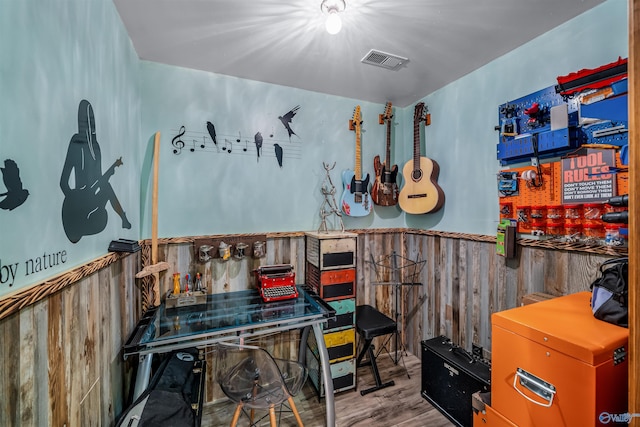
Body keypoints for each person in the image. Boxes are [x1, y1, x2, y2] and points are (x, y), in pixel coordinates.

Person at [60, 99, 130, 243]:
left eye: (92, 122)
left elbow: (98, 179)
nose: (91, 126)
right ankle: (123, 217)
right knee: (106, 189)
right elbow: (63, 182)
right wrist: (75, 200)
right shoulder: (76, 142)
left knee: (106, 188)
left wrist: (110, 172)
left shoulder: (96, 146)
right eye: (87, 121)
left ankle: (123, 218)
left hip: (89, 199)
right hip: (78, 203)